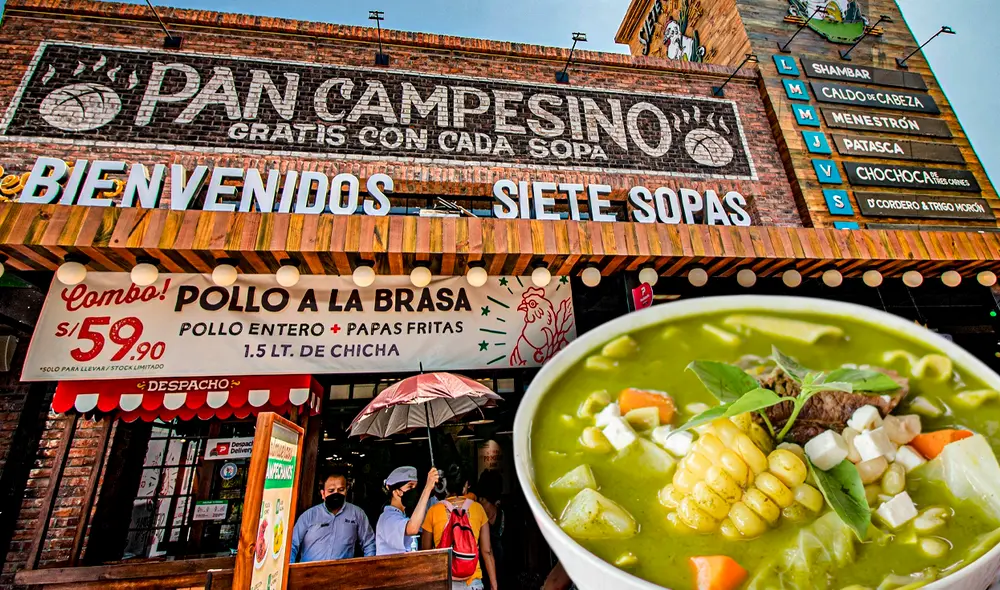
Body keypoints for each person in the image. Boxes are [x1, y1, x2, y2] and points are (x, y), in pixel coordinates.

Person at [421, 464, 497, 590]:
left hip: (445, 581)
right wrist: (494, 585)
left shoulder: (433, 511)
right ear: (465, 485)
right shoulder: (478, 509)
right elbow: (487, 551)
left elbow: (426, 552)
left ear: (445, 485)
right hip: (473, 581)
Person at [290, 471, 375, 562]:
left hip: (343, 570)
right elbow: (291, 545)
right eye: (331, 491)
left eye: (341, 490)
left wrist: (367, 567)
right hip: (310, 569)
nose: (336, 493)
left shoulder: (357, 514)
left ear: (346, 490)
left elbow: (369, 544)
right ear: (323, 494)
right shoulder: (309, 516)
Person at [375, 466, 439, 555]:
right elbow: (412, 528)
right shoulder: (387, 518)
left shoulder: (402, 516)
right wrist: (427, 488)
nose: (413, 491)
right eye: (410, 486)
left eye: (415, 487)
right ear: (396, 491)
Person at [474, 469, 505, 590]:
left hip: (494, 576)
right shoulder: (503, 514)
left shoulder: (477, 512)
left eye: (483, 500)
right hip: (491, 577)